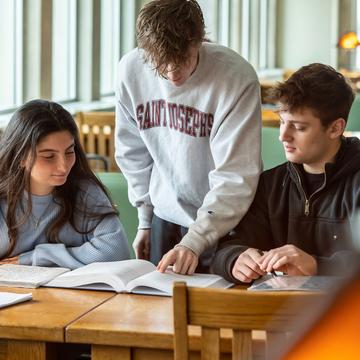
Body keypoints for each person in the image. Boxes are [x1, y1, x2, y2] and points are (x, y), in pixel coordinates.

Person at [115, 0, 262, 274]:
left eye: (181, 60)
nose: (172, 74)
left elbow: (236, 174)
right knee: (159, 312)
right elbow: (132, 152)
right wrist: (145, 219)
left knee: (215, 311)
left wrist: (195, 240)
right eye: (160, 64)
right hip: (163, 218)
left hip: (225, 223)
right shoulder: (130, 69)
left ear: (199, 40)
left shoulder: (235, 77)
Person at [212, 63, 360, 283]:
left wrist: (317, 265)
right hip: (278, 311)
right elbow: (226, 248)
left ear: (335, 128)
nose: (283, 136)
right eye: (282, 122)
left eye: (299, 127)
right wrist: (234, 260)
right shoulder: (269, 184)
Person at [0, 99, 130, 269]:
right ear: (21, 157)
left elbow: (116, 252)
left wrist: (38, 257)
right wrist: (73, 256)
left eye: (69, 151)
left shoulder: (86, 192)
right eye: (49, 156)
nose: (63, 166)